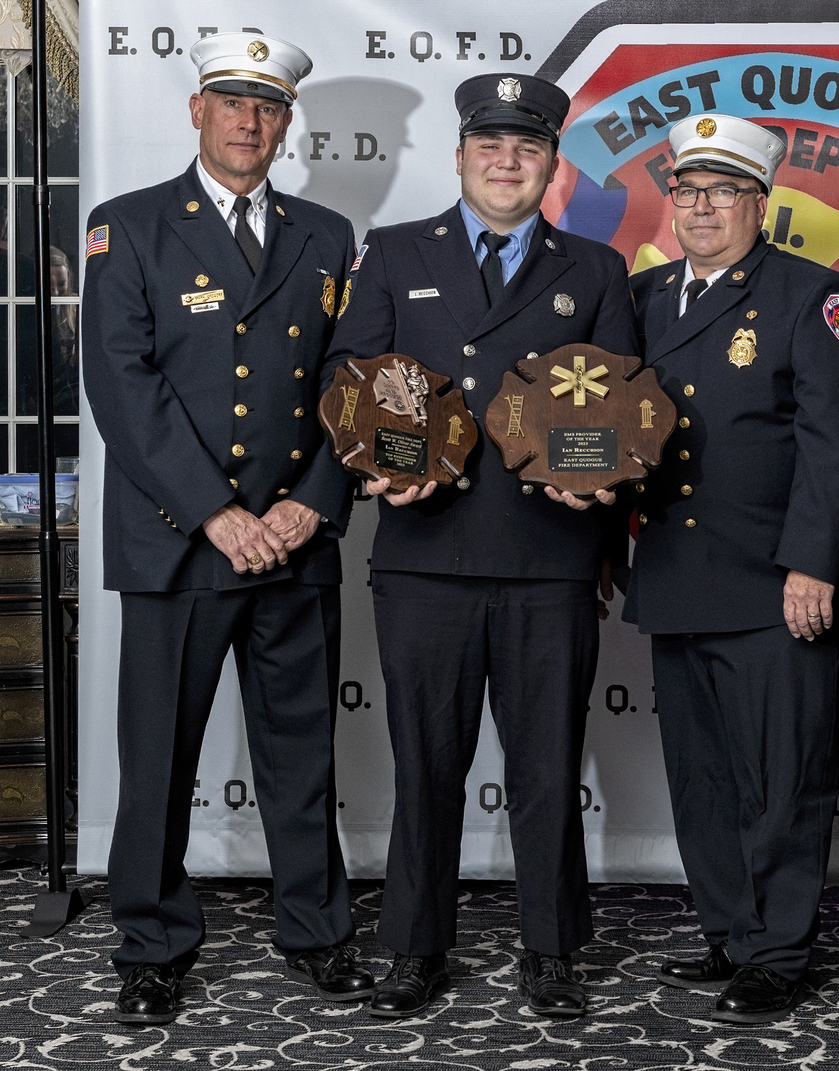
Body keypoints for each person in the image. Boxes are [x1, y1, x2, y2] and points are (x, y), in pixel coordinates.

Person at [324, 72, 636, 1020]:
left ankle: (550, 947)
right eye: (491, 145)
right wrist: (375, 461)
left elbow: (623, 398)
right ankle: (416, 947)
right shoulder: (392, 251)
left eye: (528, 147)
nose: (508, 161)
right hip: (424, 550)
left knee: (547, 765)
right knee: (426, 763)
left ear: (552, 164)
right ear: (460, 157)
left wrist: (604, 477)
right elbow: (347, 371)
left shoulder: (595, 269)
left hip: (550, 554)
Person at [81, 33, 371, 1024]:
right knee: (157, 756)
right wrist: (216, 511)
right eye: (234, 102)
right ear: (197, 109)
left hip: (294, 540)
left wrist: (309, 504)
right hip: (178, 541)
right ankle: (152, 941)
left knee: (303, 754)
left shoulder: (326, 234)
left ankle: (317, 931)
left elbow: (353, 385)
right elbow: (123, 386)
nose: (252, 121)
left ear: (288, 122)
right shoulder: (128, 228)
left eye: (270, 106)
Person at [625, 115, 839, 1024]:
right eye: (687, 191)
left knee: (783, 777)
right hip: (676, 574)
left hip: (777, 586)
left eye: (722, 192)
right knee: (703, 780)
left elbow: (837, 448)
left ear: (759, 206)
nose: (700, 208)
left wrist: (814, 565)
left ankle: (780, 948)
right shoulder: (646, 297)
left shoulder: (815, 296)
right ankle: (731, 930)